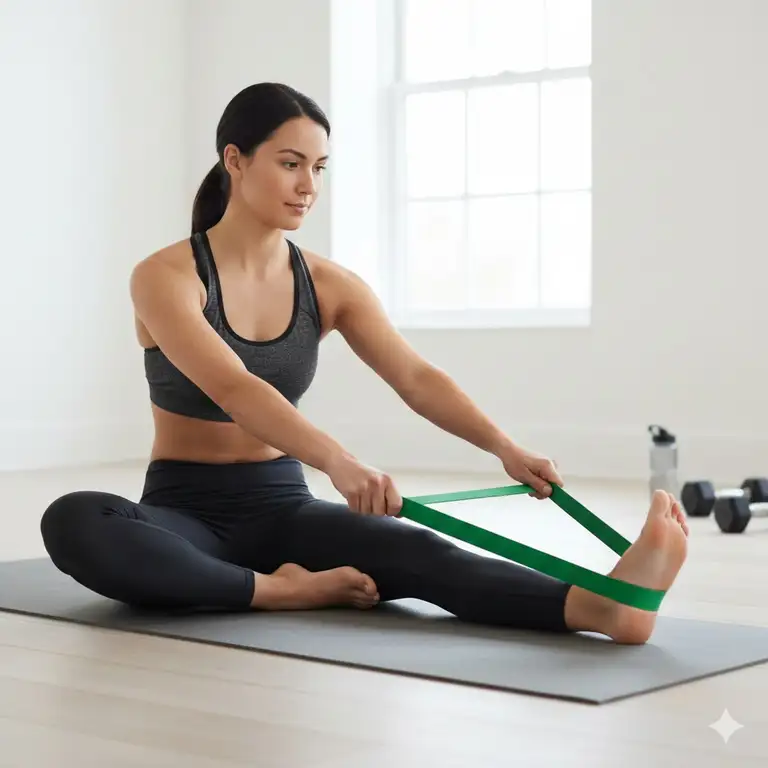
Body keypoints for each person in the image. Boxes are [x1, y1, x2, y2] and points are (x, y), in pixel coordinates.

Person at [40, 83, 689, 644]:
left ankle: (605, 607)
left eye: (320, 167)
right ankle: (284, 593)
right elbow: (235, 388)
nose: (308, 186)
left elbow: (415, 378)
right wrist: (340, 463)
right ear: (234, 161)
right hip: (183, 514)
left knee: (416, 550)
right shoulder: (165, 276)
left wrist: (504, 448)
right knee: (75, 520)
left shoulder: (330, 285)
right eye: (291, 163)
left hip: (284, 507)